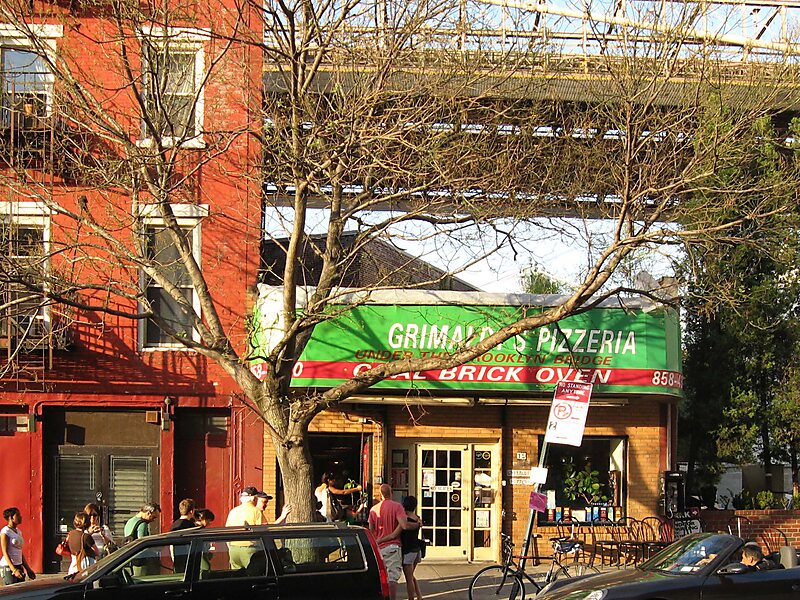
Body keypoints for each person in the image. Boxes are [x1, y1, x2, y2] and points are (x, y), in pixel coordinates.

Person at [369, 484, 418, 600]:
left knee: (381, 577)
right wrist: (417, 525)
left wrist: (378, 540)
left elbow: (371, 530)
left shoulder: (373, 509)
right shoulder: (397, 507)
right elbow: (404, 525)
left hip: (379, 547)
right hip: (393, 546)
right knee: (392, 578)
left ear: (380, 495)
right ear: (391, 493)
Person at [378, 496, 424, 600]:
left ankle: (411, 598)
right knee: (411, 576)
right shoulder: (417, 518)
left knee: (409, 578)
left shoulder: (405, 520)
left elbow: (393, 535)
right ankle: (419, 596)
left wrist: (380, 540)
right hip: (416, 549)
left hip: (408, 551)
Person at [0, 507, 35, 585]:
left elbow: (20, 552)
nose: (20, 517)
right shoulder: (5, 532)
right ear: (11, 518)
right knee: (12, 589)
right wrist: (14, 570)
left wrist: (28, 569)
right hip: (8, 566)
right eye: (18, 515)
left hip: (19, 565)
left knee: (21, 588)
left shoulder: (18, 531)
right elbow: (5, 552)